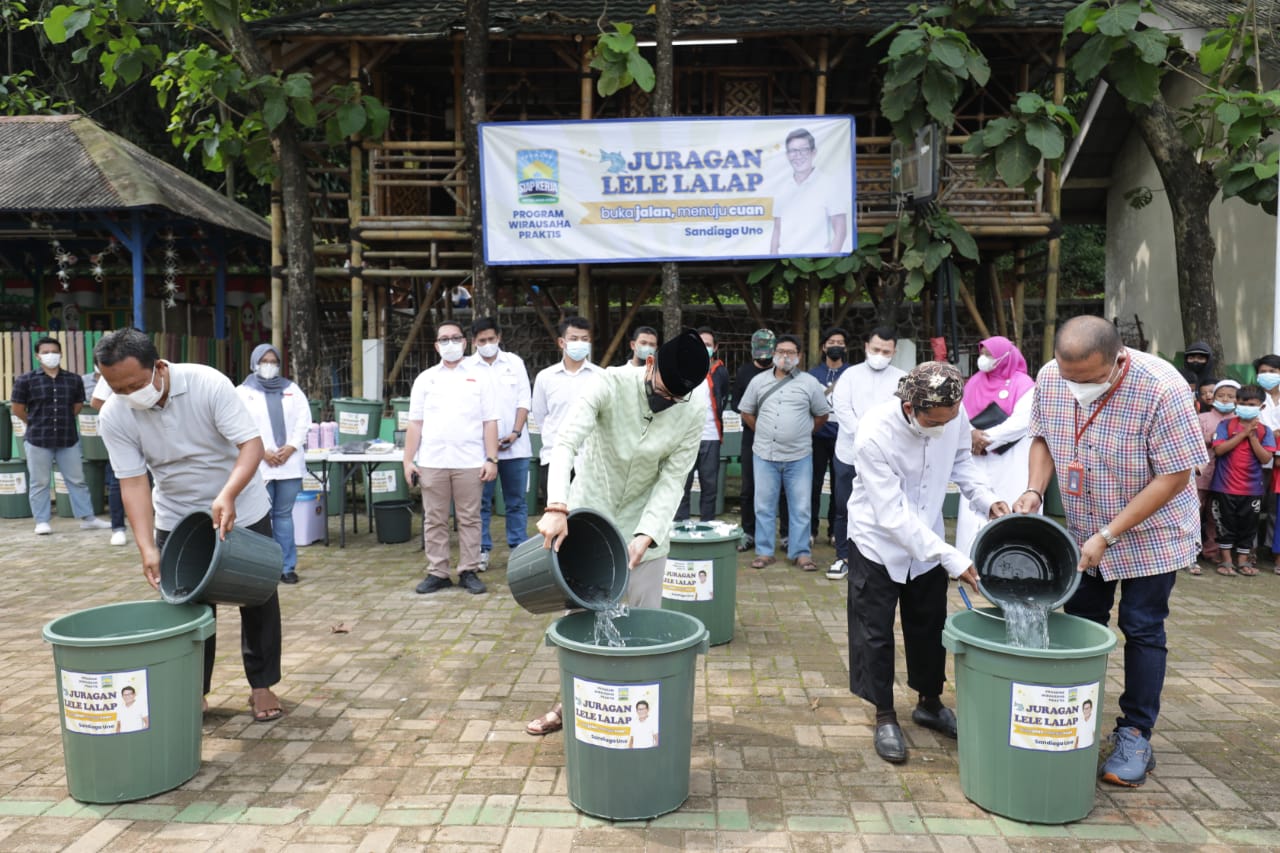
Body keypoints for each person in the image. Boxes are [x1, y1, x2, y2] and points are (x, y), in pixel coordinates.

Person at [1013, 315, 1205, 787]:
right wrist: (1035, 491)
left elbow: (1176, 475)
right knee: (1081, 623)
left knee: (1142, 627)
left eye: (1091, 379)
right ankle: (1075, 715)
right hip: (1084, 528)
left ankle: (1136, 733)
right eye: (1069, 376)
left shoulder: (1162, 388)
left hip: (1153, 534)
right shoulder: (1049, 377)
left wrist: (1110, 534)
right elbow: (1041, 436)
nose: (1078, 388)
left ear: (1118, 360)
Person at [95, 328, 286, 722]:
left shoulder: (206, 384)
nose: (128, 394)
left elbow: (250, 445)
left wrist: (228, 494)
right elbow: (132, 482)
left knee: (258, 597)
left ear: (159, 367)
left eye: (134, 384)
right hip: (176, 516)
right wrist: (147, 547)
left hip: (240, 506)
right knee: (187, 608)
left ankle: (262, 685)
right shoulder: (114, 415)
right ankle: (194, 689)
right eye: (117, 388)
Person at [526, 330, 708, 737]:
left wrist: (646, 535)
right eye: (662, 392)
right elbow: (566, 441)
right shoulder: (608, 383)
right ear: (649, 364)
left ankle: (640, 712)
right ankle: (570, 702)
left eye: (674, 399)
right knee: (583, 619)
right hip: (590, 515)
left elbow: (673, 479)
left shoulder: (694, 410)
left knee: (643, 622)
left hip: (646, 522)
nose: (666, 402)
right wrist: (557, 506)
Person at [846, 361, 1008, 764]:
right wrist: (951, 557)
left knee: (929, 625)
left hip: (929, 539)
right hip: (877, 542)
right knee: (875, 631)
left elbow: (961, 463)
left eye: (949, 419)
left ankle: (929, 702)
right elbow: (892, 515)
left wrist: (986, 500)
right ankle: (884, 714)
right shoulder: (873, 434)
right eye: (934, 421)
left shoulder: (952, 412)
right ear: (910, 406)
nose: (942, 426)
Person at [403, 322, 500, 596]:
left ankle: (468, 569)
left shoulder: (480, 377)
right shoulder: (425, 379)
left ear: (465, 342)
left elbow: (489, 422)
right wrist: (408, 460)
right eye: (444, 339)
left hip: (470, 461)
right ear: (436, 346)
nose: (450, 343)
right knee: (434, 519)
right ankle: (438, 571)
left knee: (470, 518)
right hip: (432, 461)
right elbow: (415, 424)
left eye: (455, 338)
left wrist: (491, 459)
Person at [737, 334, 832, 571]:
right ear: (774, 353)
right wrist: (761, 431)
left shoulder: (809, 383)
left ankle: (800, 553)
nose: (785, 356)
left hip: (799, 456)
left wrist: (803, 432)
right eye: (780, 351)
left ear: (799, 356)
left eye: (790, 352)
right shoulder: (758, 381)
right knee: (764, 505)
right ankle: (764, 551)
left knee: (800, 506)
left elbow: (822, 415)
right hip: (764, 455)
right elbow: (746, 411)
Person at [11, 336, 113, 535]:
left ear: (61, 354)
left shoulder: (73, 380)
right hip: (38, 439)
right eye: (45, 352)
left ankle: (88, 518)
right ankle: (42, 521)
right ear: (37, 356)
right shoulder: (26, 380)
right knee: (39, 482)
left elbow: (76, 407)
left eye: (54, 352)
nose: (51, 355)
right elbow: (17, 409)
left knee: (77, 479)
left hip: (68, 439)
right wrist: (34, 423)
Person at [828, 327, 906, 580]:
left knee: (883, 506)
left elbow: (902, 415)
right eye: (876, 349)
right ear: (866, 347)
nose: (880, 355)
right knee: (844, 506)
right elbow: (841, 408)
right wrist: (864, 434)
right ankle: (843, 556)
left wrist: (877, 440)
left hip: (886, 457)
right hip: (848, 453)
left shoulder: (902, 379)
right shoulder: (850, 375)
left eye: (886, 351)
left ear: (894, 351)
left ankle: (880, 558)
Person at [955, 336, 1037, 558]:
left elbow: (1021, 422)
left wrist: (986, 439)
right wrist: (970, 435)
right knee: (976, 498)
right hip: (977, 456)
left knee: (1011, 502)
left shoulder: (1024, 384)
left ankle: (1011, 557)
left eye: (989, 355)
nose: (984, 359)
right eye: (982, 354)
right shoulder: (974, 382)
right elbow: (960, 413)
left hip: (1010, 458)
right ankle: (968, 557)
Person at [236, 344, 312, 584]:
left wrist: (290, 447)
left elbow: (304, 421)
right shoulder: (241, 393)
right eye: (264, 361)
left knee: (283, 516)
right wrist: (260, 452)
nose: (269, 365)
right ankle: (261, 566)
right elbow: (238, 427)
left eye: (273, 361)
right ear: (254, 363)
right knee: (258, 518)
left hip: (289, 463)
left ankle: (286, 567)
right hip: (258, 464)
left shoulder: (292, 390)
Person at [467, 317, 533, 567]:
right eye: (482, 341)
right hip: (481, 451)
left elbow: (523, 400)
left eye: (491, 339)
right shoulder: (467, 368)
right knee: (480, 503)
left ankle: (519, 549)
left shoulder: (514, 363)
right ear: (473, 342)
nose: (487, 344)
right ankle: (481, 550)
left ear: (499, 338)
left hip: (516, 447)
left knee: (516, 501)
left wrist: (515, 432)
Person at [530, 317, 603, 495]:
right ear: (562, 342)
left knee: (587, 518)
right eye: (574, 338)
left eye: (584, 339)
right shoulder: (545, 377)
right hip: (554, 459)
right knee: (556, 517)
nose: (580, 343)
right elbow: (540, 417)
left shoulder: (600, 377)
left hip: (590, 461)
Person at [1209, 384, 1274, 576]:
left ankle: (1243, 561)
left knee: (1248, 526)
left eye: (1252, 404)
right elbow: (1219, 450)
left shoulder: (1265, 431)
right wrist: (1243, 434)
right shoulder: (1225, 426)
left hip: (1252, 488)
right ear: (1237, 403)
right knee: (1225, 524)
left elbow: (1266, 458)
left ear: (1261, 407)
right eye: (1243, 402)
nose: (1246, 406)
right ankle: (1226, 560)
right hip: (1224, 486)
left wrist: (1253, 438)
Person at [676, 326, 729, 522]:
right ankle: (680, 524)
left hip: (711, 437)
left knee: (710, 485)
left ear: (715, 347)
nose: (703, 347)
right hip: (686, 438)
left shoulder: (720, 371)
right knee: (682, 483)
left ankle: (707, 524)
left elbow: (722, 398)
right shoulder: (681, 369)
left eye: (707, 344)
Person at [731, 329, 777, 552]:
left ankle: (784, 534)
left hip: (779, 438)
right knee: (748, 487)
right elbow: (736, 404)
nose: (764, 357)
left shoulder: (781, 372)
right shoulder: (744, 372)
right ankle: (748, 532)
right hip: (751, 436)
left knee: (781, 488)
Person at [769, 128, 849, 255]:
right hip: (785, 262)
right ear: (787, 155)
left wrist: (828, 260)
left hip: (817, 262)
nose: (798, 156)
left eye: (804, 150)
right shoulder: (781, 188)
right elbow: (777, 229)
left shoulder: (829, 184)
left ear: (813, 152)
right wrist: (773, 257)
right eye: (793, 151)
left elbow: (841, 230)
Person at [808, 326, 849, 546]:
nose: (836, 346)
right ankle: (811, 530)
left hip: (843, 438)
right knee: (813, 485)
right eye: (831, 342)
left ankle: (836, 531)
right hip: (816, 437)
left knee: (839, 486)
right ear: (824, 347)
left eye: (840, 343)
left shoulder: (853, 374)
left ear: (846, 347)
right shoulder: (813, 375)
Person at [1193, 379, 1237, 574]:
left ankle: (1212, 550)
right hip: (1202, 474)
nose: (1225, 400)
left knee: (1215, 515)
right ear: (1213, 398)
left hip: (1226, 477)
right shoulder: (1202, 418)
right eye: (1221, 396)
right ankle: (1189, 553)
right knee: (1195, 512)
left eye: (1230, 396)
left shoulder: (1238, 420)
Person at [82, 363, 128, 545]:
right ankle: (118, 528)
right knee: (119, 480)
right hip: (122, 434)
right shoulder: (112, 370)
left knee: (152, 481)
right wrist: (122, 415)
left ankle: (156, 528)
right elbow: (97, 401)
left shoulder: (152, 368)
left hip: (153, 432)